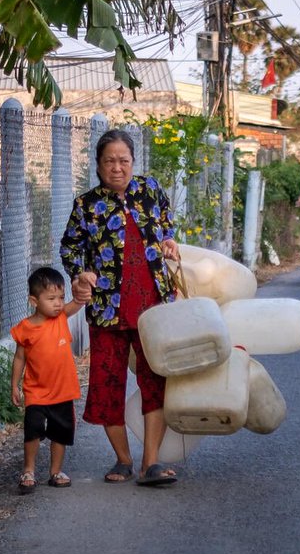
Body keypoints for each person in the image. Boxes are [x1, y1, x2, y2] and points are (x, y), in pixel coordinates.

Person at [59, 129, 181, 488]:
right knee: (106, 385)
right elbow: (70, 248)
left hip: (153, 308)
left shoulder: (150, 190)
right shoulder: (86, 205)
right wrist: (80, 273)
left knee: (153, 382)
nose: (117, 167)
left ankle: (152, 462)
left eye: (123, 160)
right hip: (107, 311)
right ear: (98, 165)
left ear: (133, 162)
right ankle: (124, 460)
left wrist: (170, 240)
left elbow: (166, 223)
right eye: (109, 161)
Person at [10, 267, 87, 495]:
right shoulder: (25, 329)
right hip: (36, 391)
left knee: (60, 432)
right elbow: (19, 358)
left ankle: (56, 472)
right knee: (32, 430)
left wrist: (82, 287)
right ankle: (29, 471)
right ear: (34, 300)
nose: (58, 303)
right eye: (51, 298)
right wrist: (14, 385)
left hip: (63, 391)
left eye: (61, 298)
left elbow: (77, 303)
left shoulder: (62, 316)